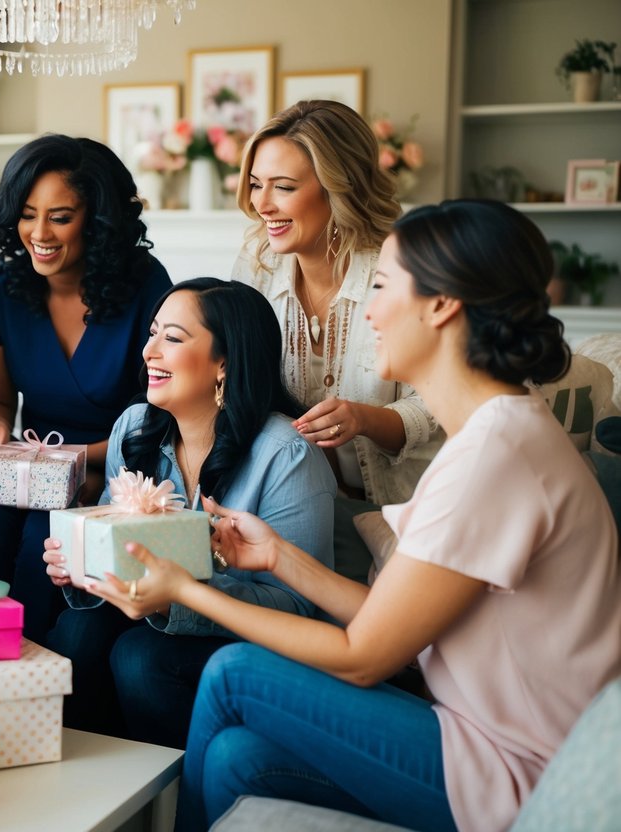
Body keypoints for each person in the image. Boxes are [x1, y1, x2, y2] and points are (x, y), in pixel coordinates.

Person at [90, 201, 621, 832]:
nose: (368, 312)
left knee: (233, 673)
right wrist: (277, 556)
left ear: (442, 305)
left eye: (381, 287)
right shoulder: (493, 438)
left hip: (518, 767)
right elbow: (387, 619)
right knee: (237, 758)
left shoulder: (496, 458)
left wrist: (186, 591)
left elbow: (364, 656)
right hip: (472, 734)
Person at [41, 279, 335, 748]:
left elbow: (299, 607)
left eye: (172, 338)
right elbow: (108, 532)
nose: (148, 352)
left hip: (256, 641)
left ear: (224, 363)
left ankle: (175, 796)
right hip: (149, 618)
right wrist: (79, 562)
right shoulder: (134, 428)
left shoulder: (285, 455)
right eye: (152, 333)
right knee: (79, 632)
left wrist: (178, 597)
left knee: (141, 657)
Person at [0, 133, 174, 642]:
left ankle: (28, 686)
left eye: (60, 217)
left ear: (98, 221)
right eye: (27, 213)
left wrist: (85, 463)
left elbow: (162, 418)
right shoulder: (0, 285)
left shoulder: (147, 285)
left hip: (119, 469)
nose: (39, 232)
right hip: (28, 470)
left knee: (46, 539)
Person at [231, 100, 441, 579]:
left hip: (401, 513)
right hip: (290, 512)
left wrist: (366, 418)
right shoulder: (255, 267)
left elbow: (436, 402)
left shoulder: (399, 269)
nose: (262, 204)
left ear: (338, 188)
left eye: (283, 187)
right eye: (256, 184)